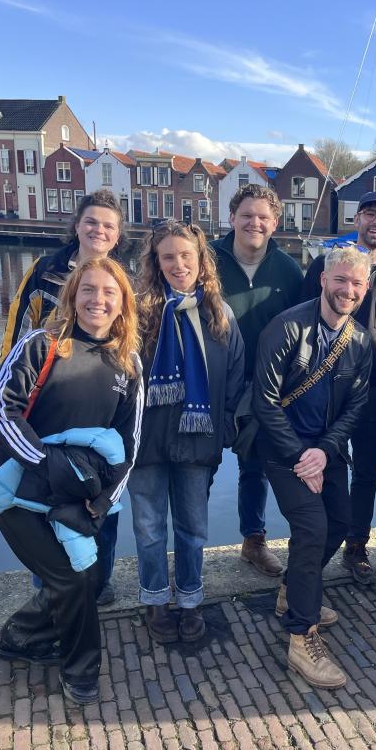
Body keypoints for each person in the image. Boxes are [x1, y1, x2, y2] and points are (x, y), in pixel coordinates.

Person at [0, 257, 143, 705]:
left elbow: (131, 442)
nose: (98, 299)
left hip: (77, 496)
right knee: (72, 578)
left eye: (109, 292)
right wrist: (46, 464)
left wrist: (102, 502)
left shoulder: (127, 361)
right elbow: (2, 407)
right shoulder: (44, 343)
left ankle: (20, 636)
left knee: (89, 579)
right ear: (73, 295)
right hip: (17, 487)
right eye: (89, 290)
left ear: (122, 303)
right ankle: (82, 669)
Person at [252, 246, 372, 689]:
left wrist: (326, 449)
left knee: (341, 521)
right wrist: (301, 457)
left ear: (366, 288)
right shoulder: (286, 328)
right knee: (311, 528)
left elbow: (356, 405)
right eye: (340, 280)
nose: (348, 290)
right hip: (283, 449)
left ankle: (293, 589)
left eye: (357, 284)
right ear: (323, 279)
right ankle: (302, 637)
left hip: (325, 449)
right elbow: (264, 401)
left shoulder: (360, 341)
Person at [0, 188, 125, 605]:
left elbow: (132, 337)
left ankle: (98, 586)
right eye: (91, 221)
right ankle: (50, 594)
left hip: (102, 402)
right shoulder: (46, 269)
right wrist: (10, 382)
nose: (98, 230)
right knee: (45, 506)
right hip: (50, 406)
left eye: (108, 225)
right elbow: (19, 327)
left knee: (98, 507)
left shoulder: (121, 280)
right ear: (77, 225)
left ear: (118, 233)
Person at [130, 221, 246, 644]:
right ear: (156, 263)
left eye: (187, 256)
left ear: (201, 261)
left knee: (193, 528)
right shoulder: (138, 312)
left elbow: (235, 376)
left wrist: (224, 427)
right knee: (149, 528)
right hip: (146, 444)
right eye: (168, 257)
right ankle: (156, 599)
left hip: (198, 441)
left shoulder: (219, 313)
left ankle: (191, 599)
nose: (179, 265)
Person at [301, 191, 376, 586]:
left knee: (366, 470)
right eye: (369, 214)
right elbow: (303, 319)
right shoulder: (327, 263)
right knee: (322, 467)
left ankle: (356, 544)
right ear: (357, 218)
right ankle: (314, 544)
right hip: (325, 386)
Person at [214, 185, 303, 578]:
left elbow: (303, 327)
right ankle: (186, 547)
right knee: (197, 468)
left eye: (263, 217)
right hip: (213, 381)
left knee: (255, 467)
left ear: (275, 223)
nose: (255, 223)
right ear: (232, 218)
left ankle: (253, 541)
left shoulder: (287, 269)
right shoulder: (206, 260)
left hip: (265, 387)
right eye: (247, 215)